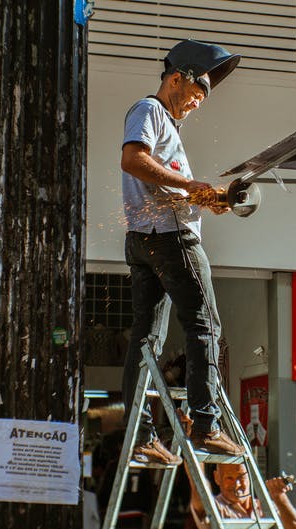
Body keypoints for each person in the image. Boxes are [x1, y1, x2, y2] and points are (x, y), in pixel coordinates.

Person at [120, 38, 244, 466]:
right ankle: (207, 426)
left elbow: (164, 184)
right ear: (176, 78)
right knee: (204, 324)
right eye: (195, 94)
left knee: (147, 338)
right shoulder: (150, 110)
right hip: (171, 239)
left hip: (145, 238)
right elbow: (134, 160)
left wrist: (207, 198)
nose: (196, 104)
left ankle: (140, 437)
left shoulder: (168, 126)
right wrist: (190, 187)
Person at [186, 462, 296, 529]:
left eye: (241, 476)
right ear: (217, 478)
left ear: (251, 477)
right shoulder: (216, 507)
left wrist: (279, 497)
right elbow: (199, 491)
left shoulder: (266, 507)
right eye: (229, 478)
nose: (237, 484)